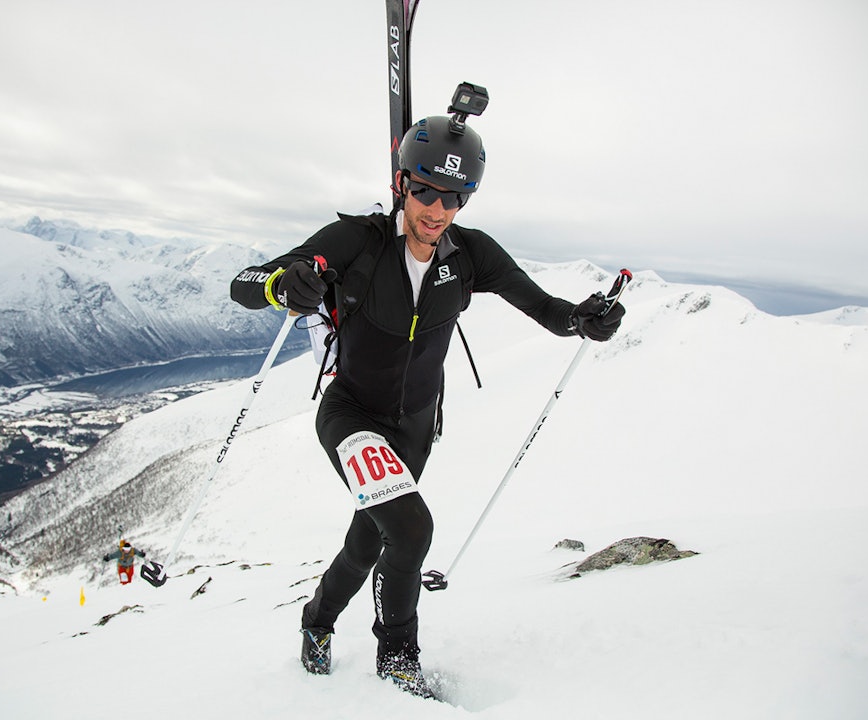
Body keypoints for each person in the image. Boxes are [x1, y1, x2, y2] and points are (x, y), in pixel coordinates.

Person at [229, 112, 624, 697]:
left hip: (414, 428)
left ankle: (316, 619)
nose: (436, 211)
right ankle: (397, 660)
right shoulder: (357, 242)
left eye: (454, 198)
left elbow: (544, 308)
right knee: (411, 532)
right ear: (402, 185)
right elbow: (245, 281)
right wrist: (282, 284)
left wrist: (582, 318)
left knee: (370, 541)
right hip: (352, 417)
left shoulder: (469, 254)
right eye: (424, 191)